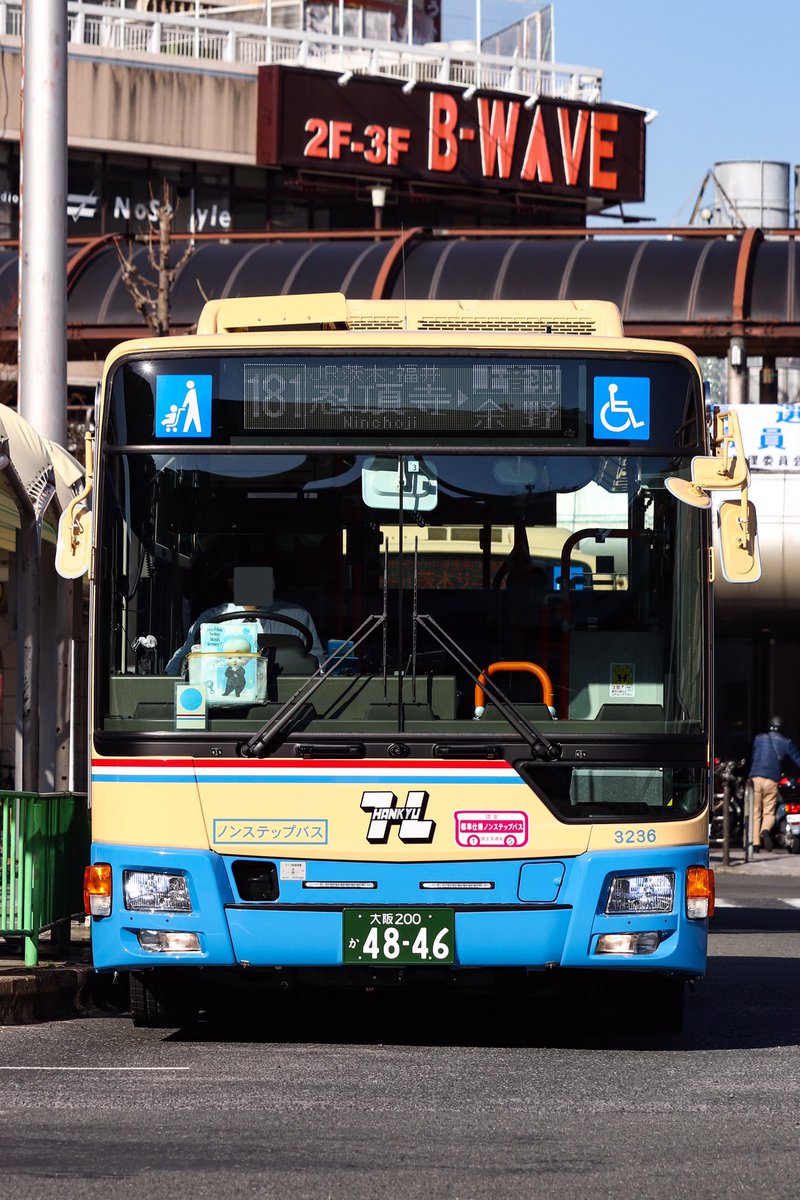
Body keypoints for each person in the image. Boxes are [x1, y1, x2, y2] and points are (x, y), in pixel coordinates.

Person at [165, 565, 324, 675]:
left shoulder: (298, 616)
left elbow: (319, 668)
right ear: (233, 585)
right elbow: (183, 659)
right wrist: (167, 680)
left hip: (288, 701)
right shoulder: (211, 619)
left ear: (273, 584)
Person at [747, 716, 800, 852]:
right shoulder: (786, 742)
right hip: (772, 779)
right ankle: (765, 830)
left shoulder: (759, 739)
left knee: (755, 811)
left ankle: (755, 844)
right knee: (769, 812)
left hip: (755, 778)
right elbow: (797, 759)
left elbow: (752, 757)